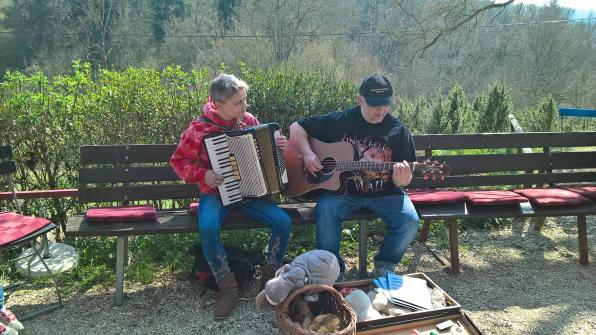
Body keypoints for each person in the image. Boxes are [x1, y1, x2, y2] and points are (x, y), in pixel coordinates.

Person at [170, 73, 292, 319]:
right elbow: (179, 161)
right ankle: (228, 290)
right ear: (217, 104)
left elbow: (265, 155)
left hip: (252, 192)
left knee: (283, 222)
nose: (244, 106)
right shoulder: (199, 128)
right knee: (207, 227)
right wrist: (202, 174)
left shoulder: (247, 120)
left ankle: (269, 284)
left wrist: (278, 146)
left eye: (245, 100)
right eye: (238, 102)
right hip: (215, 193)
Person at [288, 74, 419, 281]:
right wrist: (307, 154)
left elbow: (404, 178)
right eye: (375, 105)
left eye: (386, 105)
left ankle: (385, 265)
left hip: (385, 193)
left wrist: (402, 180)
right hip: (341, 193)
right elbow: (296, 127)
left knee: (409, 220)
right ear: (360, 100)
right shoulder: (340, 121)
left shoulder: (398, 130)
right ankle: (332, 270)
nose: (381, 110)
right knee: (326, 209)